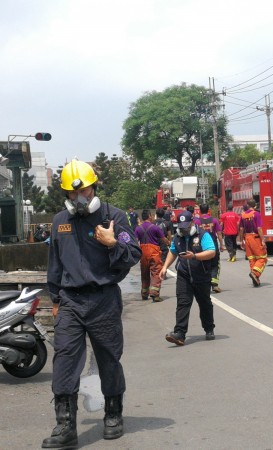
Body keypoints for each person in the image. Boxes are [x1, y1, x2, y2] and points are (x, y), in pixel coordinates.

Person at [43, 160, 141, 448]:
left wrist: (112, 243)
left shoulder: (115, 216)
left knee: (109, 358)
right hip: (71, 300)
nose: (78, 198)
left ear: (93, 187)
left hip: (103, 299)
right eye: (72, 194)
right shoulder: (60, 221)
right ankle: (65, 426)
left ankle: (113, 414)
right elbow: (55, 264)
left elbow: (133, 253)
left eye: (83, 190)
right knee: (64, 360)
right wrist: (56, 299)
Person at [159, 210, 216, 345]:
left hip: (201, 275)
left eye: (186, 226)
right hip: (184, 275)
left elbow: (211, 252)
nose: (184, 229)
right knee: (183, 303)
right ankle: (179, 333)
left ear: (192, 223)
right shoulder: (177, 238)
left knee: (204, 303)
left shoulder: (202, 235)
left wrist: (194, 256)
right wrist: (164, 267)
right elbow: (172, 252)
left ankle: (209, 328)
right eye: (181, 226)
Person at [135, 210, 170, 302]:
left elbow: (135, 240)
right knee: (156, 271)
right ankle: (154, 294)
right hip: (154, 252)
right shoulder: (155, 228)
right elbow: (163, 239)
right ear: (150, 216)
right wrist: (169, 242)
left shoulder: (138, 228)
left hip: (142, 252)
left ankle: (144, 293)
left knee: (144, 273)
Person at [238, 199, 267, 287]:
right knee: (262, 258)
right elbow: (259, 228)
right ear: (255, 206)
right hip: (255, 238)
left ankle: (256, 279)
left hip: (247, 238)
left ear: (247, 205)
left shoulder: (242, 215)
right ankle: (255, 273)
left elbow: (241, 229)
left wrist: (241, 240)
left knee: (252, 259)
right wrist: (262, 240)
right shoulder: (256, 214)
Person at [197, 203, 225, 293]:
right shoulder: (214, 220)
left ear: (200, 211)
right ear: (208, 210)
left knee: (204, 264)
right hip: (213, 245)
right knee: (215, 264)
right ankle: (214, 284)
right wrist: (221, 245)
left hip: (201, 246)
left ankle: (205, 284)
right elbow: (219, 234)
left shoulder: (197, 221)